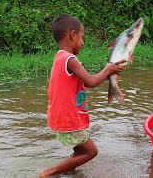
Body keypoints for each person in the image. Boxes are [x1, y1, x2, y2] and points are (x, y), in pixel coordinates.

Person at [40, 14, 126, 177]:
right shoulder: (70, 59)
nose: (83, 42)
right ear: (72, 35)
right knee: (91, 152)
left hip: (60, 118)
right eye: (82, 37)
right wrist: (108, 70)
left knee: (80, 152)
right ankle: (50, 173)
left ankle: (67, 173)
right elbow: (91, 82)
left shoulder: (59, 57)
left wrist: (108, 71)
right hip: (68, 120)